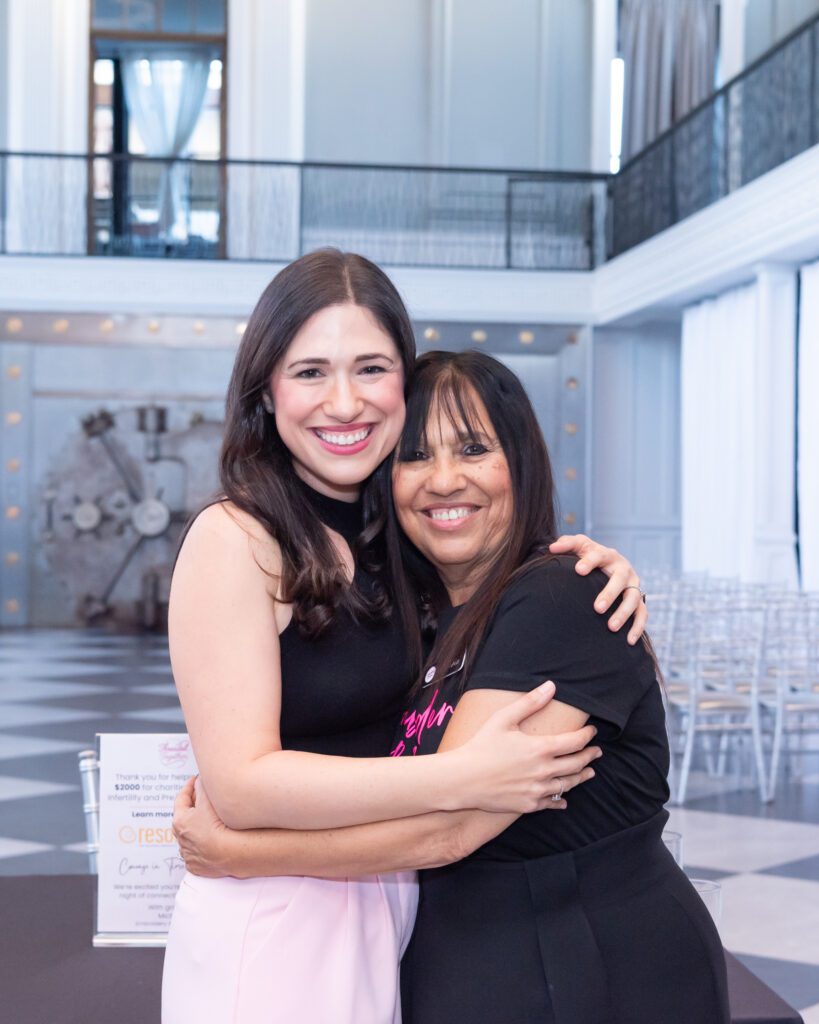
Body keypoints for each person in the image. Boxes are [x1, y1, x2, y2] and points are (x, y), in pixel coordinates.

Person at [162, 250, 647, 1024]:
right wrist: (464, 778)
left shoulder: (400, 540)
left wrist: (594, 563)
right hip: (276, 914)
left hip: (388, 893)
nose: (344, 402)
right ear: (266, 388)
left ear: (403, 380)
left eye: (371, 368)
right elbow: (241, 785)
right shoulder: (235, 538)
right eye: (311, 371)